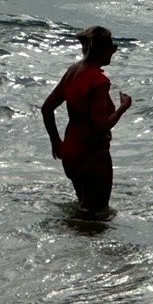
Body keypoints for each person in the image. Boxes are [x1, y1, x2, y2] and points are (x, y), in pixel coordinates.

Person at [41, 25, 132, 211]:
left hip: (71, 151)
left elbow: (47, 108)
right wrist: (123, 108)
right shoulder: (97, 80)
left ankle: (71, 238)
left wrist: (56, 141)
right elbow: (101, 125)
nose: (113, 54)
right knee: (97, 218)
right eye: (112, 49)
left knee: (84, 210)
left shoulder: (73, 71)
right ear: (103, 50)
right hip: (93, 154)